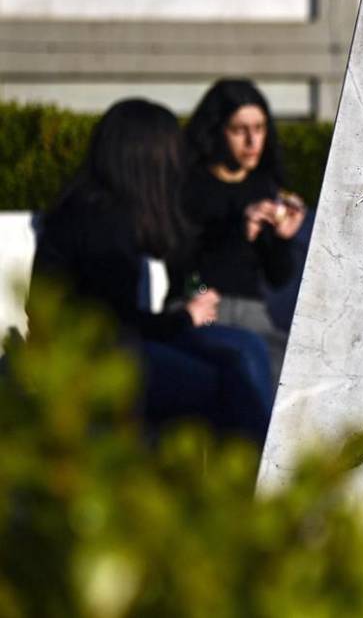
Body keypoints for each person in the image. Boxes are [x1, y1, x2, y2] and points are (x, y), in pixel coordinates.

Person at [27, 99, 273, 443]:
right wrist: (187, 316)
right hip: (92, 362)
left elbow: (182, 262)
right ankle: (256, 478)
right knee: (229, 382)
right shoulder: (101, 224)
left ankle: (263, 470)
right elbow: (116, 324)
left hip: (109, 348)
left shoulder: (105, 212)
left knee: (245, 347)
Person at [170, 80, 307, 383]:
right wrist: (238, 229)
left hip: (253, 313)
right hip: (199, 305)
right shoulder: (189, 185)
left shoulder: (263, 187)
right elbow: (182, 266)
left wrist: (284, 238)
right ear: (217, 131)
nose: (251, 141)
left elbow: (278, 276)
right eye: (239, 130)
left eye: (259, 128)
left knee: (294, 371)